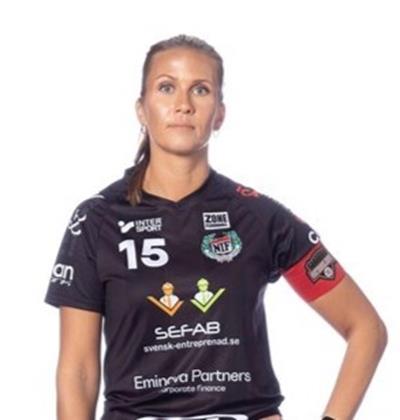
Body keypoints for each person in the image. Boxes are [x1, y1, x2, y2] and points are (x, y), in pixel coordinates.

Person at [44, 34, 388, 420]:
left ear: (220, 113)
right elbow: (78, 372)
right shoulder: (97, 220)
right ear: (141, 108)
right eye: (166, 87)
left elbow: (366, 329)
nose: (183, 104)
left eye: (201, 90)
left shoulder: (259, 217)